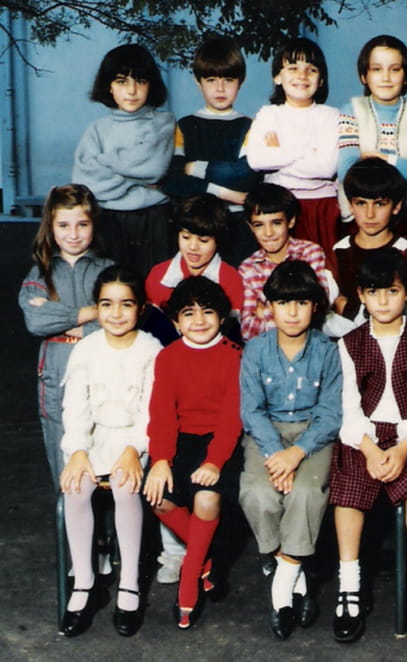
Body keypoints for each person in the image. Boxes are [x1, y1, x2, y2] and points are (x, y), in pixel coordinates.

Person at [329, 248, 407, 644]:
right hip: (362, 437)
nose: (383, 301)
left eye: (392, 291)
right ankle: (348, 586)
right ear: (361, 295)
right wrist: (370, 448)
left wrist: (403, 448)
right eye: (374, 292)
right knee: (348, 492)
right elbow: (347, 406)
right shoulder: (349, 343)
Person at [238, 261, 342, 640]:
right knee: (257, 492)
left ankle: (282, 588)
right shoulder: (256, 350)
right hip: (267, 434)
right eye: (283, 303)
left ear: (315, 306)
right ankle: (293, 569)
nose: (292, 312)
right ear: (269, 307)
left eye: (301, 303)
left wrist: (296, 453)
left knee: (306, 492)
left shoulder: (328, 351)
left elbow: (331, 413)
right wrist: (275, 453)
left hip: (313, 435)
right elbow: (252, 410)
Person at [59, 265, 162, 637]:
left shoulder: (151, 350)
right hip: (94, 438)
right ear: (97, 307)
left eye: (126, 304)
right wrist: (78, 450)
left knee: (124, 485)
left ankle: (129, 583)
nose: (116, 313)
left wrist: (135, 448)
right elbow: (75, 408)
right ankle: (85, 583)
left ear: (141, 308)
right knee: (76, 487)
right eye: (106, 304)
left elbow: (152, 412)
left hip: (136, 440)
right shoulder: (86, 349)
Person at [144, 277, 243, 629]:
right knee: (157, 497)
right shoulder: (168, 357)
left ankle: (188, 582)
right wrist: (160, 460)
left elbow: (232, 418)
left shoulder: (234, 355)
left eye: (208, 312)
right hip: (181, 440)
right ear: (175, 322)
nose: (199, 320)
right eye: (188, 313)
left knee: (206, 498)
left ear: (223, 318)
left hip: (222, 441)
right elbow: (162, 415)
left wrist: (215, 462)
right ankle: (206, 559)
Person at [19, 184, 113, 486]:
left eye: (82, 224)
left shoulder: (108, 271)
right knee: (66, 471)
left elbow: (119, 320)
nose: (73, 234)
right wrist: (91, 312)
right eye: (63, 225)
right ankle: (70, 519)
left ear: (94, 224)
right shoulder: (40, 273)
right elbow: (36, 320)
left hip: (101, 372)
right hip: (56, 375)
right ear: (50, 226)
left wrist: (61, 321)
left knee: (104, 463)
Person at [72, 44, 174, 277]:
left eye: (140, 81)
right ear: (108, 86)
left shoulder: (163, 123)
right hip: (108, 219)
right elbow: (87, 185)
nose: (132, 91)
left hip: (155, 219)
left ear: (151, 85)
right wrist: (138, 179)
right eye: (121, 81)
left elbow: (154, 168)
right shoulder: (97, 129)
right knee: (114, 286)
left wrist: (105, 161)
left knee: (155, 287)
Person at [161, 35, 262, 267]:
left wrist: (193, 168)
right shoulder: (185, 126)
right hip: (195, 227)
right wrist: (224, 192)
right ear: (198, 82)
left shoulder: (250, 126)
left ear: (241, 81)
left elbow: (246, 176)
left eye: (228, 79)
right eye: (211, 79)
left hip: (237, 224)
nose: (220, 88)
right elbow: (173, 181)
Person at [247, 38, 340, 264]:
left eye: (311, 69)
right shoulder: (268, 114)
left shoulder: (331, 116)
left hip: (321, 207)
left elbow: (326, 168)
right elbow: (256, 159)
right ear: (277, 77)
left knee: (324, 273)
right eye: (293, 68)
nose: (302, 75)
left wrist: (278, 154)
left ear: (321, 79)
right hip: (278, 209)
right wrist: (306, 151)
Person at [338, 34, 407, 230]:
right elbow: (346, 171)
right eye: (377, 69)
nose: (386, 77)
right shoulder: (351, 111)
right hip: (359, 219)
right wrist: (405, 160)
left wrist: (377, 156)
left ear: (405, 76)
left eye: (395, 69)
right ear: (363, 76)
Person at [332, 157, 407, 328]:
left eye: (379, 204)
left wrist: (349, 308)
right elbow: (332, 303)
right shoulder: (340, 249)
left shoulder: (404, 250)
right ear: (350, 205)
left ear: (396, 207)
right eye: (361, 203)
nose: (370, 214)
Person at [238, 183, 330, 340]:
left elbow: (318, 311)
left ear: (291, 221)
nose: (268, 233)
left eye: (276, 223)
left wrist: (266, 312)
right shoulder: (248, 268)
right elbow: (247, 330)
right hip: (268, 349)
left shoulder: (309, 252)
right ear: (251, 227)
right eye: (259, 225)